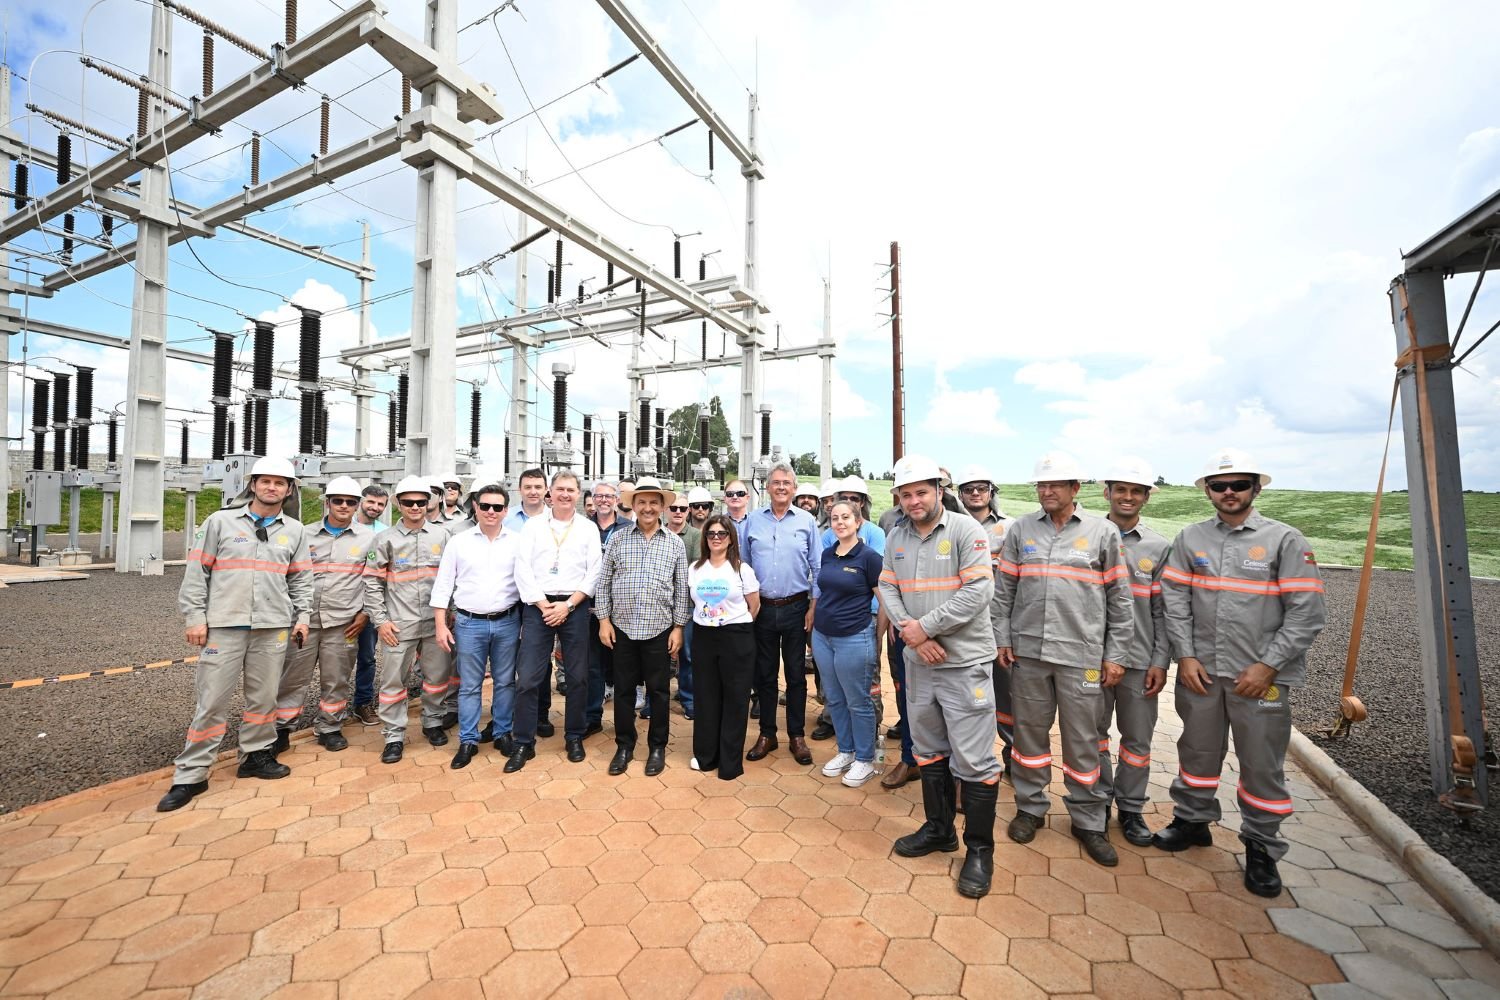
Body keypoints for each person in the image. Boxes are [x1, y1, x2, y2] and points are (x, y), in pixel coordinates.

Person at [1155, 449, 1326, 899]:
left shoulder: (1285, 540)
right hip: (1202, 673)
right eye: (1219, 486)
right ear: (1208, 491)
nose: (1228, 492)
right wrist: (1185, 656)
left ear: (1256, 489)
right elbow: (1175, 603)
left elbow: (1307, 613)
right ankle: (1192, 821)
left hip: (1260, 679)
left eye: (1239, 485)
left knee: (1261, 765)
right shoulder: (1191, 538)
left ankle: (1261, 847)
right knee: (1197, 751)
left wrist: (1268, 666)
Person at [993, 452, 1133, 868]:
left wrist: (1116, 654)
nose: (1047, 491)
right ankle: (1030, 807)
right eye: (1042, 484)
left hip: (1081, 656)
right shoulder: (1021, 530)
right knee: (1029, 737)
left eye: (1056, 484)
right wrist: (1003, 637)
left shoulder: (1103, 532)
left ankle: (1088, 820)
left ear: (1075, 488)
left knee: (1083, 740)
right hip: (1029, 654)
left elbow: (1120, 600)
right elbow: (1005, 591)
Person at [158, 457, 312, 812]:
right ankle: (191, 774)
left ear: (289, 490)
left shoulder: (294, 531)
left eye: (280, 483)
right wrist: (194, 618)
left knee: (264, 699)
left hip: (272, 626)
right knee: (212, 701)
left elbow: (302, 579)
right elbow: (196, 573)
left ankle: (255, 756)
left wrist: (302, 617)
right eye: (265, 481)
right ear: (252, 485)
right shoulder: (220, 522)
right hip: (224, 626)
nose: (272, 487)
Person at [880, 454, 999, 898]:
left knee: (974, 760)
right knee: (928, 749)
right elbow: (887, 586)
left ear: (938, 490)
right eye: (906, 494)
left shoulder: (966, 531)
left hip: (963, 663)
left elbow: (979, 590)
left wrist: (924, 628)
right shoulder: (897, 536)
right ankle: (939, 829)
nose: (914, 501)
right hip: (919, 663)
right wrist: (911, 635)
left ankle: (979, 850)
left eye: (921, 492)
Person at [1094, 458, 1171, 847]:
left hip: (1140, 662)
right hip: (1091, 658)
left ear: (1146, 497)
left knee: (1137, 741)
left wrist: (1161, 661)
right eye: (1120, 489)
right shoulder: (1088, 537)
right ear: (1107, 493)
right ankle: (1096, 804)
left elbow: (1164, 611)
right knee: (1092, 736)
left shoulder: (1158, 547)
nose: (1127, 497)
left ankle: (1130, 809)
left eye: (1136, 491)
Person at [271, 476, 374, 756]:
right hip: (303, 622)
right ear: (328, 502)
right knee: (292, 678)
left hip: (344, 623)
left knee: (337, 678)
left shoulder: (368, 538)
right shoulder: (303, 534)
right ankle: (281, 730)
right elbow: (287, 576)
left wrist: (365, 613)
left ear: (357, 505)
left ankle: (330, 727)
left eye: (350, 502)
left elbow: (375, 579)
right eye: (338, 500)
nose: (344, 506)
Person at [596, 478, 691, 777]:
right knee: (623, 690)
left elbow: (681, 589)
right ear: (633, 505)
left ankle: (657, 747)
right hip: (622, 629)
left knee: (659, 691)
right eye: (642, 502)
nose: (647, 508)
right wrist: (603, 621)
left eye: (653, 502)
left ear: (662, 507)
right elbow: (604, 583)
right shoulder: (618, 540)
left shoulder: (674, 543)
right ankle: (624, 746)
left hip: (659, 629)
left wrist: (678, 627)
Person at [510, 471, 602, 771]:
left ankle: (574, 735)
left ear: (578, 494)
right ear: (550, 492)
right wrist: (542, 604)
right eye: (560, 489)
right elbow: (522, 568)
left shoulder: (587, 528)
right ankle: (524, 741)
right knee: (528, 677)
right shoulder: (534, 527)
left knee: (577, 677)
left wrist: (569, 605)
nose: (565, 494)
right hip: (539, 606)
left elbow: (594, 571)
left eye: (570, 490)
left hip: (575, 605)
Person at [364, 475, 455, 764]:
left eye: (420, 502)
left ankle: (433, 721)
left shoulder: (443, 537)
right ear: (398, 504)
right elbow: (371, 582)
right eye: (408, 502)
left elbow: (453, 578)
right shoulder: (384, 539)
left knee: (437, 678)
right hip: (398, 625)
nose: (415, 507)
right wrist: (381, 621)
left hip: (434, 623)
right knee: (393, 682)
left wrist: (450, 613)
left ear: (428, 503)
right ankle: (393, 736)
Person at [432, 481, 522, 769]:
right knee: (470, 685)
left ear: (506, 510)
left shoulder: (517, 542)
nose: (491, 511)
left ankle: (502, 732)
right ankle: (468, 740)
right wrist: (440, 625)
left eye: (497, 507)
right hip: (469, 624)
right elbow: (443, 584)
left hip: (507, 622)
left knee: (505, 681)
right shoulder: (459, 542)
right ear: (476, 507)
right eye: (485, 506)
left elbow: (526, 583)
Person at [743, 462, 822, 766]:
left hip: (796, 608)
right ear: (767, 487)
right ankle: (767, 734)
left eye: (786, 483)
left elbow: (817, 567)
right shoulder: (753, 521)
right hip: (762, 609)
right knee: (764, 674)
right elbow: (744, 567)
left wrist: (813, 607)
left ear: (794, 488)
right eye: (775, 482)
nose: (780, 487)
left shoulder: (806, 521)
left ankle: (797, 735)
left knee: (796, 675)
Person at [813, 500, 886, 787]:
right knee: (835, 698)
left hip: (855, 636)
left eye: (846, 517)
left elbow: (885, 601)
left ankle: (865, 759)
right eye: (835, 518)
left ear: (858, 521)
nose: (840, 522)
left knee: (858, 701)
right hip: (823, 636)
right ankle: (846, 751)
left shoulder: (869, 558)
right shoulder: (828, 554)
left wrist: (877, 636)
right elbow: (824, 591)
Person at [954, 464, 1015, 780]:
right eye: (969, 489)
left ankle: (1013, 758)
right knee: (968, 697)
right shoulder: (952, 526)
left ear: (992, 492)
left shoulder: (1010, 528)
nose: (975, 494)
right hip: (963, 625)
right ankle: (971, 761)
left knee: (1007, 696)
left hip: (1000, 623)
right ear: (960, 494)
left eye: (981, 488)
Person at [689, 514, 760, 779]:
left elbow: (754, 605)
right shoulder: (695, 568)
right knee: (706, 696)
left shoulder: (742, 569)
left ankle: (730, 763)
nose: (716, 538)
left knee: (735, 698)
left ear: (731, 538)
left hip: (736, 636)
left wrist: (734, 624)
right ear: (705, 538)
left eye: (722, 533)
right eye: (711, 534)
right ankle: (706, 756)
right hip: (704, 636)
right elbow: (694, 601)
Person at [506, 468, 556, 736]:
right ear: (520, 489)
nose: (533, 491)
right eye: (528, 486)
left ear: (546, 489)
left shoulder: (555, 520)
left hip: (540, 602)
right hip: (509, 598)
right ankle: (506, 715)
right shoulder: (507, 518)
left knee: (540, 660)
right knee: (507, 660)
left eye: (538, 486)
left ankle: (541, 713)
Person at [588, 481, 632, 729]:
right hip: (587, 605)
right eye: (599, 496)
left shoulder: (629, 528)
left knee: (623, 664)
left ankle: (624, 721)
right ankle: (593, 717)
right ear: (593, 499)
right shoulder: (583, 527)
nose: (604, 500)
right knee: (592, 665)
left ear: (617, 500)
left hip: (621, 607)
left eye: (608, 496)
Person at [353, 483, 390, 726]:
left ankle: (362, 702)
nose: (375, 507)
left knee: (367, 657)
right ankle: (329, 711)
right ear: (361, 501)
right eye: (371, 502)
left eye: (380, 504)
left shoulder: (384, 534)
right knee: (334, 661)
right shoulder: (346, 526)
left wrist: (369, 611)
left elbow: (382, 578)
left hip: (369, 607)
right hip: (340, 605)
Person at [666, 495, 702, 720]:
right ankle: (653, 701)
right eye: (673, 508)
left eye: (682, 508)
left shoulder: (696, 536)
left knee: (687, 655)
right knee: (657, 657)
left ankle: (689, 700)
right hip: (660, 605)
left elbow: (696, 568)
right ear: (666, 510)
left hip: (687, 604)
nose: (678, 511)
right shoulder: (658, 533)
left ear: (688, 511)